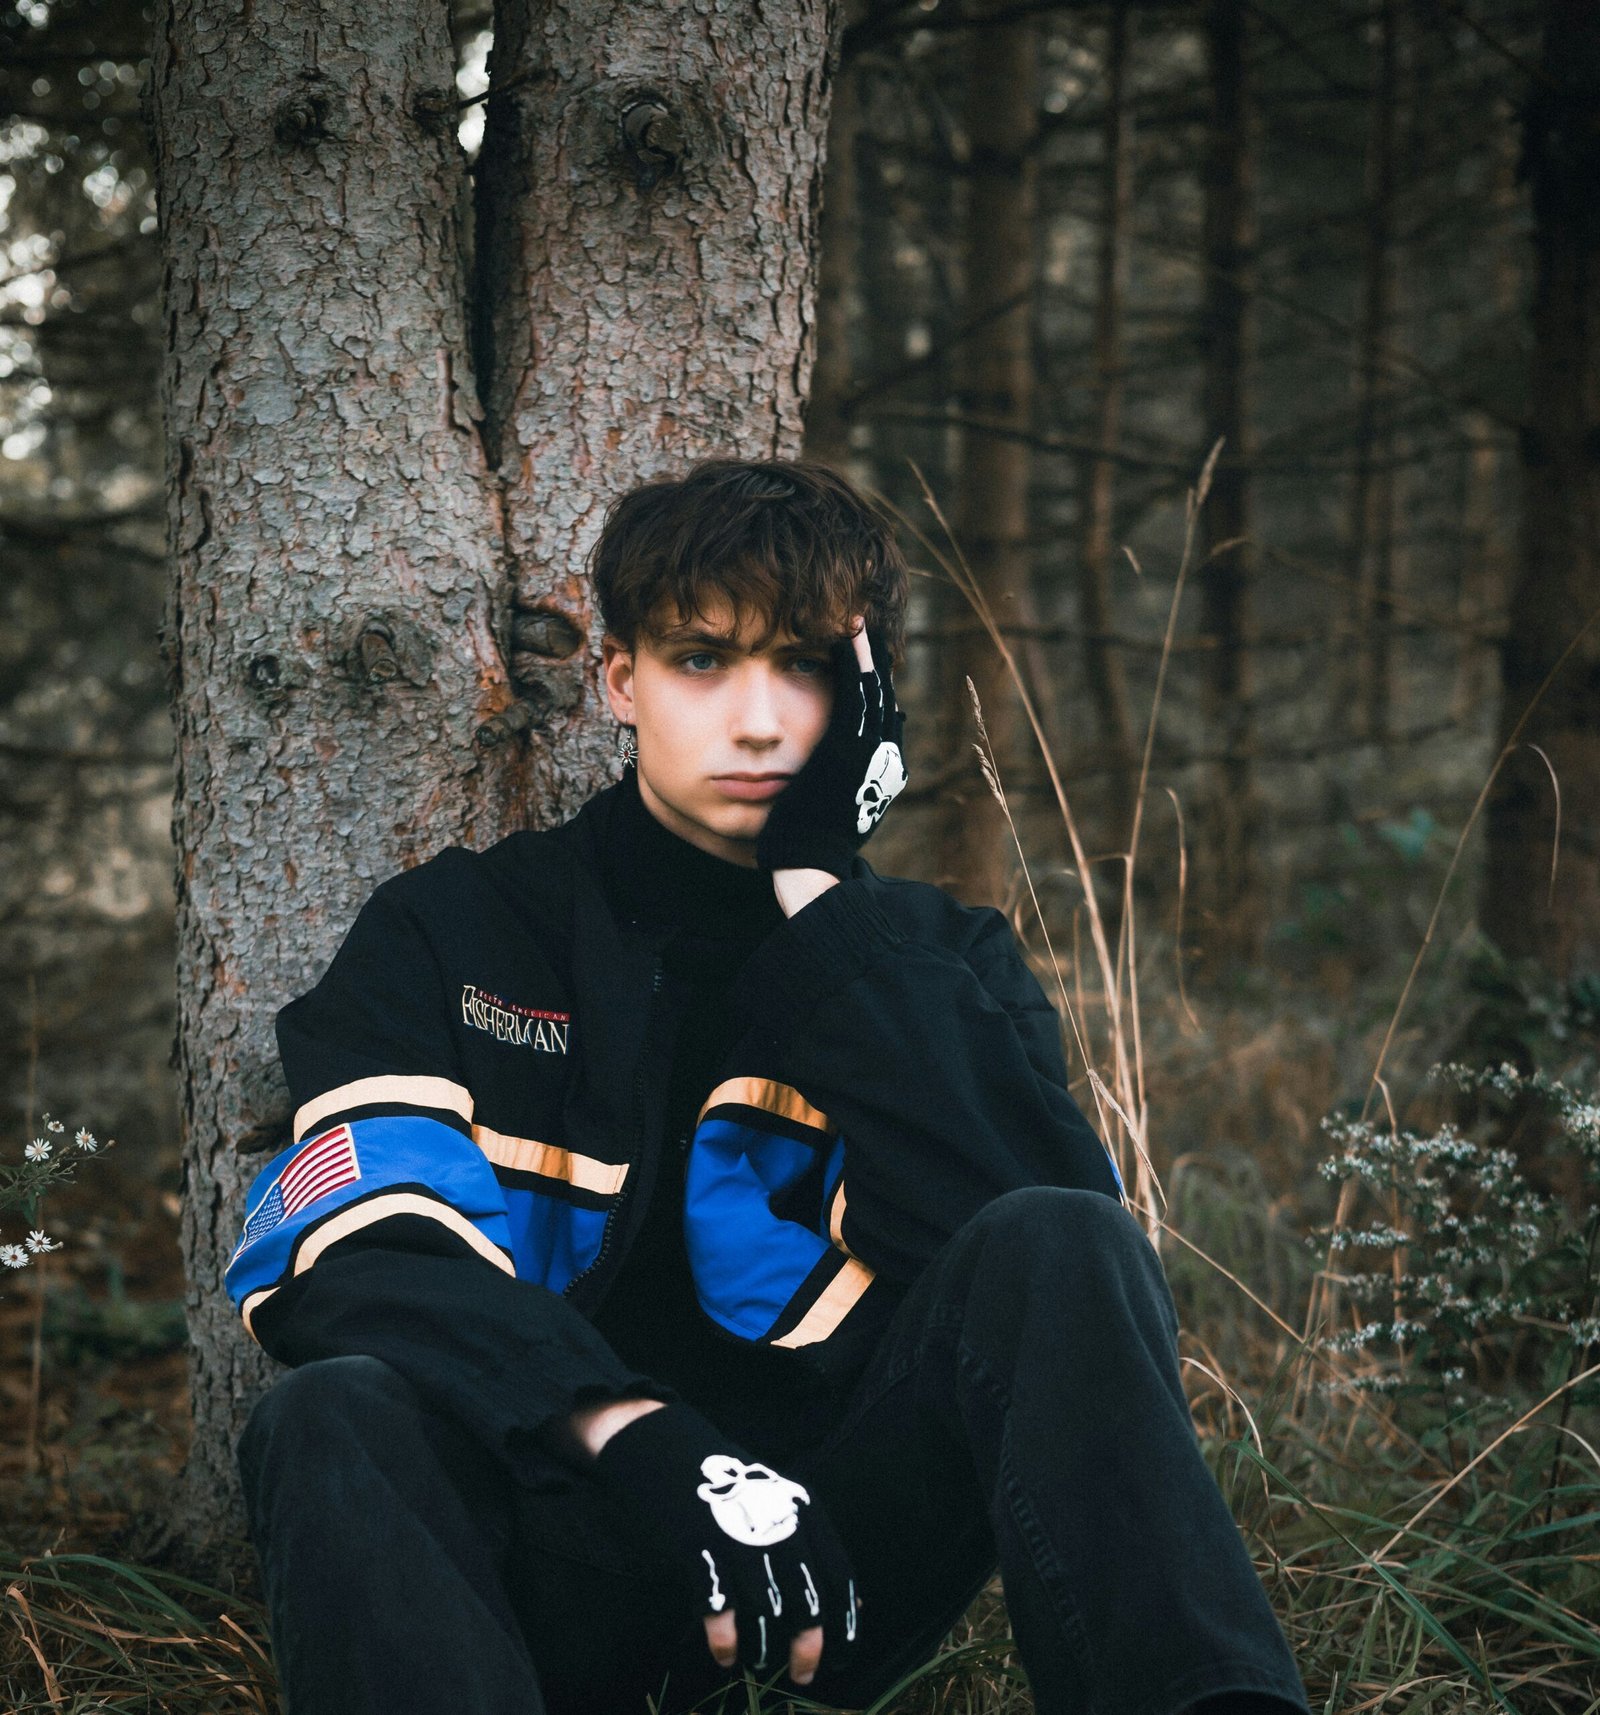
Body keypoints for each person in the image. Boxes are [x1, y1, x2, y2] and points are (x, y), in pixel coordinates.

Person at [226, 459, 1311, 1715]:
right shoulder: (459, 928)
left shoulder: (936, 965)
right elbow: (359, 1253)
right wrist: (625, 1426)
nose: (757, 721)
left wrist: (818, 899)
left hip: (833, 1569)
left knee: (1059, 1233)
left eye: (800, 666)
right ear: (619, 678)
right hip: (537, 1560)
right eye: (701, 659)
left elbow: (1058, 1276)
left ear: (862, 700)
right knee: (331, 1411)